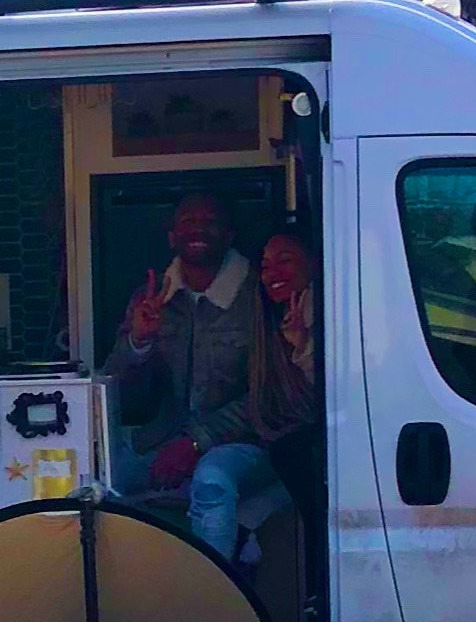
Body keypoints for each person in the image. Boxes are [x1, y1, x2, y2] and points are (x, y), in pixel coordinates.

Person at [104, 191, 268, 535]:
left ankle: (211, 572)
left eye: (210, 221)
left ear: (229, 235)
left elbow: (270, 395)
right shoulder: (152, 298)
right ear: (172, 236)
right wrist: (139, 342)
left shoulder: (259, 296)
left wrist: (196, 442)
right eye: (188, 221)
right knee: (101, 480)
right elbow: (120, 396)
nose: (198, 229)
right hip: (162, 440)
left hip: (243, 444)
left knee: (212, 480)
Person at [184, 225, 321, 568]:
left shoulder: (327, 312)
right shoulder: (266, 318)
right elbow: (262, 402)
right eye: (266, 266)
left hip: (314, 448)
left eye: (285, 261)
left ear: (315, 263)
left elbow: (337, 397)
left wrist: (303, 347)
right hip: (267, 440)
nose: (273, 273)